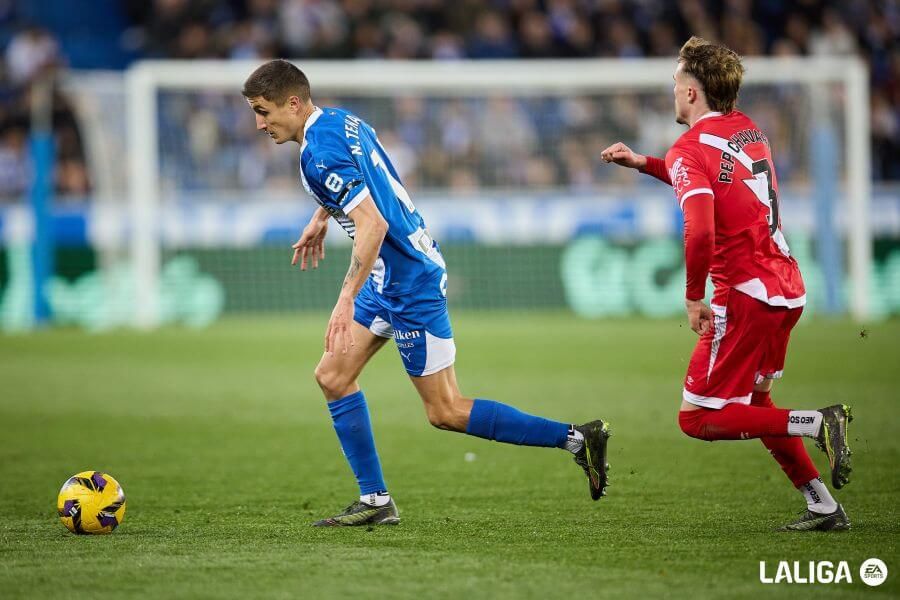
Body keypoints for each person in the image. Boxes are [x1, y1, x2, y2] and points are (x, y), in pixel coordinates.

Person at [242, 59, 611, 526]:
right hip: (387, 275)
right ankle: (376, 501)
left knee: (446, 410)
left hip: (408, 280)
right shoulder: (340, 122)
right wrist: (319, 220)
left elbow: (372, 223)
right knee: (333, 376)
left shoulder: (318, 153)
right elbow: (364, 183)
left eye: (263, 111)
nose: (259, 124)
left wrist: (343, 298)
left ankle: (578, 438)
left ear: (292, 103)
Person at [601, 37, 853, 531]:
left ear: (692, 94)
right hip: (786, 289)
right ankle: (823, 504)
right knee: (755, 403)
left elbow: (701, 230)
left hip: (743, 295)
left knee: (696, 418)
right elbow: (712, 182)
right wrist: (644, 163)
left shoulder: (689, 149)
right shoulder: (748, 131)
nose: (673, 91)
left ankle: (817, 422)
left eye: (676, 83)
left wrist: (694, 295)